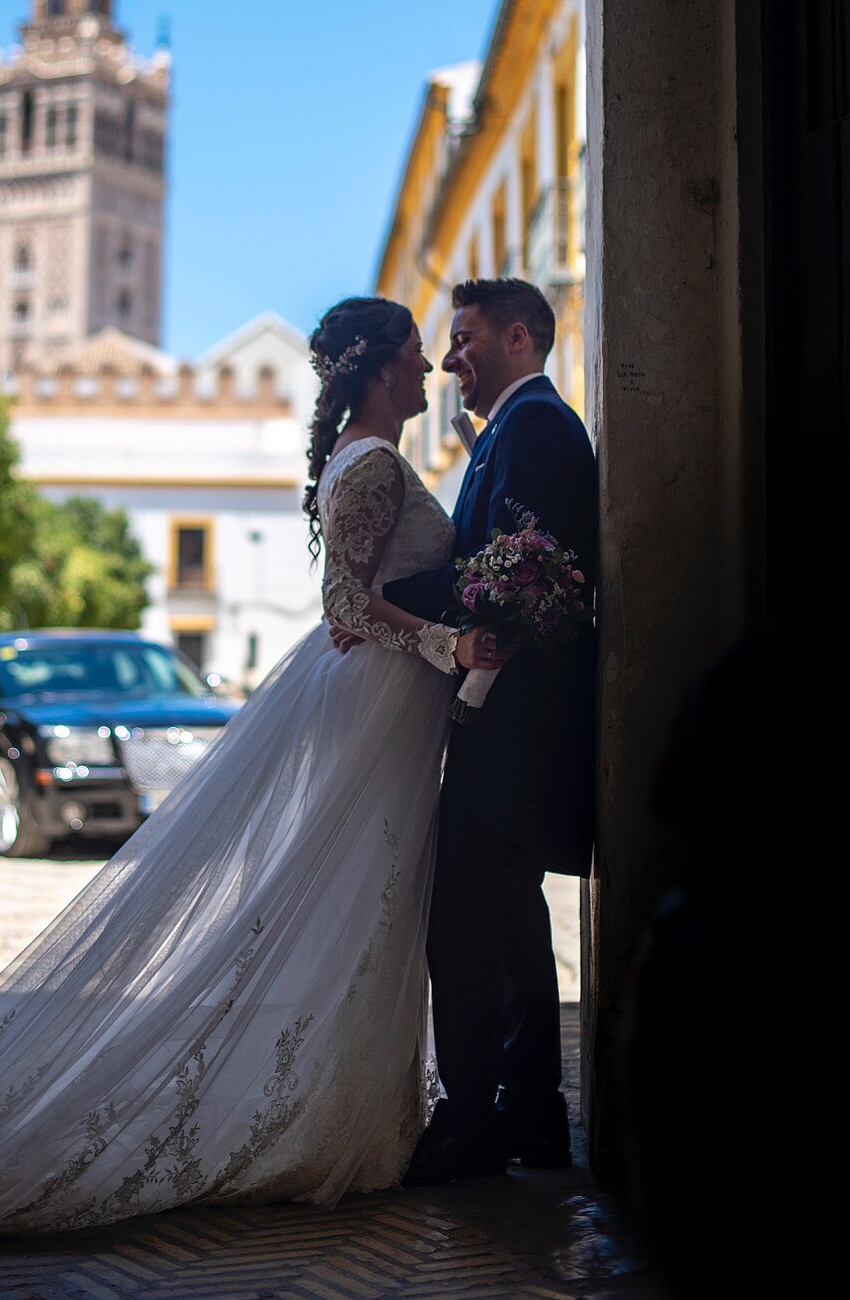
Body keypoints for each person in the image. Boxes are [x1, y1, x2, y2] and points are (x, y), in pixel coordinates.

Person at [0, 296, 504, 1285]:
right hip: (379, 697)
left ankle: (353, 1106)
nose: (428, 373)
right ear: (381, 368)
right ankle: (334, 1118)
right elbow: (346, 606)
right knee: (358, 901)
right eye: (418, 357)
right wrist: (445, 641)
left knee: (366, 904)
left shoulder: (362, 455)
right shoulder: (372, 461)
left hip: (384, 704)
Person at [375, 278, 597, 1180]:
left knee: (462, 925)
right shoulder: (509, 428)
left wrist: (390, 602)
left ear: (518, 336)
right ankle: (529, 1114)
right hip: (502, 726)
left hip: (515, 731)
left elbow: (514, 578)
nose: (449, 358)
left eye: (462, 340)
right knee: (504, 927)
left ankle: (472, 1119)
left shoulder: (535, 425)